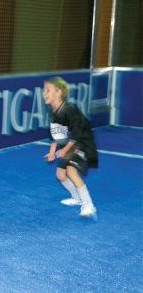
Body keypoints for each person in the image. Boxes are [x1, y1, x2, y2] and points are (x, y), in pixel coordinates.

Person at [43, 77, 98, 217]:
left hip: (82, 145)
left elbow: (77, 134)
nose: (44, 93)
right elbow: (54, 134)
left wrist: (65, 150)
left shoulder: (70, 112)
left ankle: (88, 205)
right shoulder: (54, 113)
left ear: (59, 92)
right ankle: (77, 198)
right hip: (69, 147)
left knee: (71, 171)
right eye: (44, 90)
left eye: (48, 90)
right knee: (60, 175)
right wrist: (51, 152)